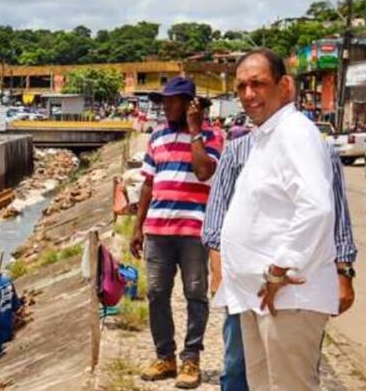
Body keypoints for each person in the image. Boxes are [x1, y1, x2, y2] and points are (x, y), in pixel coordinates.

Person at [203, 96, 357, 391]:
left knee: (290, 377)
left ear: (282, 88)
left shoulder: (317, 147)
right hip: (243, 286)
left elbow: (332, 213)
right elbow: (218, 217)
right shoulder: (240, 150)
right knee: (240, 369)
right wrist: (220, 272)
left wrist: (344, 272)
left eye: (259, 85)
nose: (251, 95)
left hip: (291, 286)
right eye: (243, 87)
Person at [131, 76, 223, 389]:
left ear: (190, 104)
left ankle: (191, 359)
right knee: (157, 293)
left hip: (194, 231)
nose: (166, 106)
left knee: (195, 295)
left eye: (172, 101)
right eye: (164, 101)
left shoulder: (212, 135)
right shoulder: (156, 137)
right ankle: (165, 356)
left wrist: (195, 131)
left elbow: (203, 171)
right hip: (158, 230)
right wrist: (137, 226)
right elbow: (147, 184)